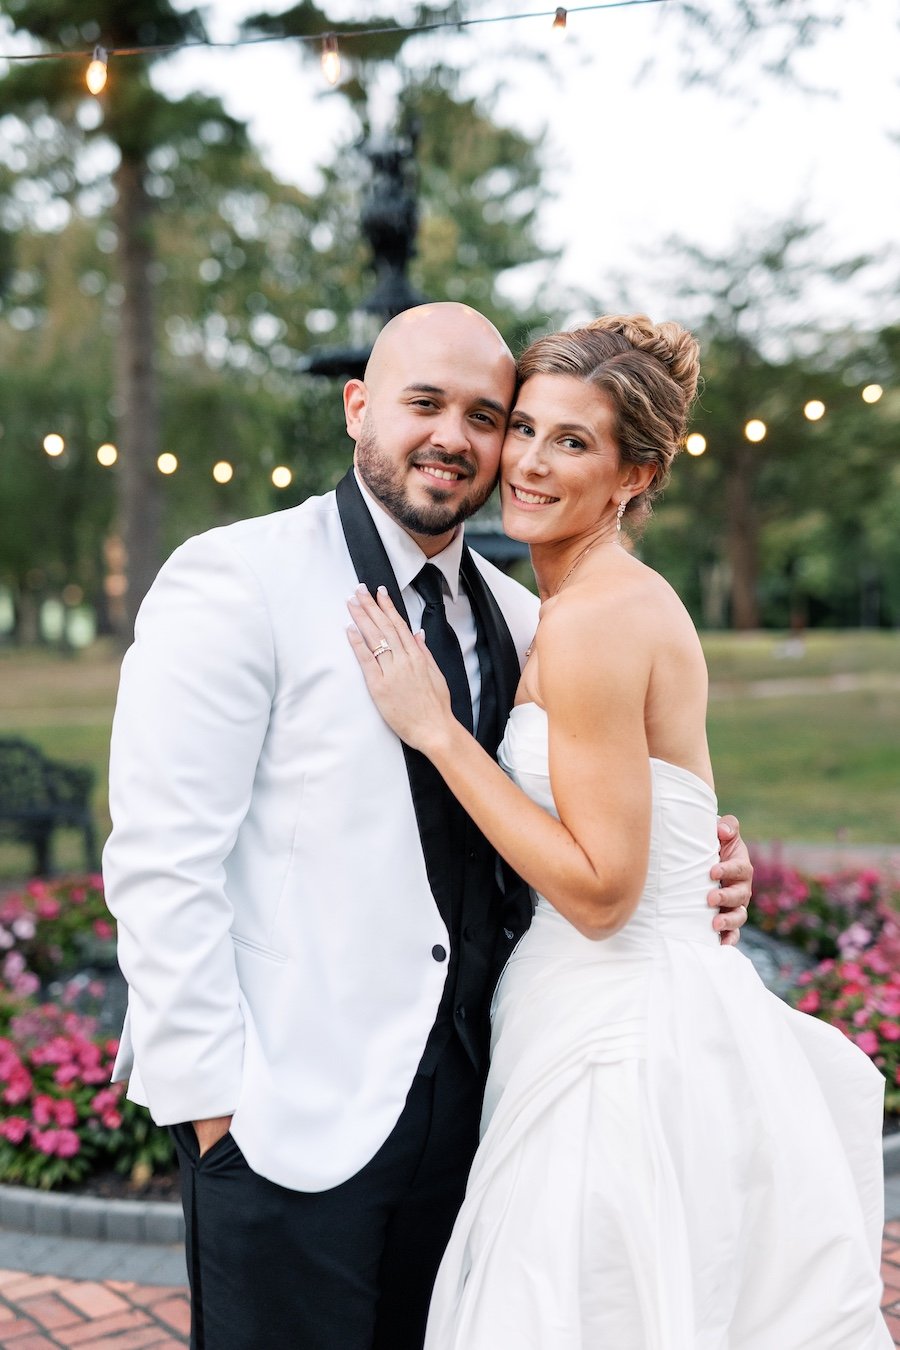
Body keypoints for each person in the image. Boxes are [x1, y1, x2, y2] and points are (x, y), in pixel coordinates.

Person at [102, 302, 752, 1350]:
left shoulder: (528, 612)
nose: (455, 435)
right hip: (288, 1127)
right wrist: (213, 1116)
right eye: (424, 404)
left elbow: (606, 800)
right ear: (360, 406)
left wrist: (709, 855)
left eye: (486, 415)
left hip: (479, 1113)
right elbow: (159, 862)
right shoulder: (239, 578)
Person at [347, 313, 891, 1349]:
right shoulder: (585, 603)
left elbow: (602, 894)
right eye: (528, 428)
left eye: (574, 442)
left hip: (617, 1046)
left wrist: (438, 733)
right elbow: (660, 817)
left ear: (637, 474)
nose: (530, 463)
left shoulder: (597, 619)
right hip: (633, 1006)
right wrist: (714, 859)